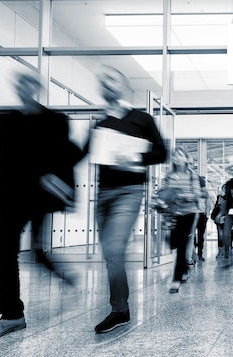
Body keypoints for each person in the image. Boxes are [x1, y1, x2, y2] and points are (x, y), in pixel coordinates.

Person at [0, 71, 82, 342]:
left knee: (36, 250)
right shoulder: (7, 121)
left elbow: (68, 155)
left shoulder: (55, 121)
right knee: (2, 254)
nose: (23, 89)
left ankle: (61, 275)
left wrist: (61, 185)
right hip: (10, 197)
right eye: (19, 84)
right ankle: (12, 315)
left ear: (36, 88)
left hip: (40, 198)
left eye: (28, 84)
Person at [86, 66, 167, 333]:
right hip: (103, 195)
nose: (106, 83)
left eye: (111, 78)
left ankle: (119, 309)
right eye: (102, 80)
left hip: (129, 192)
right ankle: (120, 306)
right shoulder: (101, 123)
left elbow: (161, 152)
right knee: (111, 254)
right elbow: (84, 153)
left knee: (113, 248)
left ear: (122, 85)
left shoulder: (141, 119)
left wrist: (133, 157)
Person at [163, 147, 203, 294]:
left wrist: (182, 197)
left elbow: (197, 195)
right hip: (173, 213)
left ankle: (176, 279)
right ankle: (185, 268)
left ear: (186, 158)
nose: (177, 157)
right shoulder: (169, 176)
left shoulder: (192, 176)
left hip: (189, 213)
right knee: (172, 242)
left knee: (181, 245)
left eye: (181, 155)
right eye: (175, 155)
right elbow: (163, 191)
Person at [195, 176, 212, 262]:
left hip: (202, 215)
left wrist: (206, 215)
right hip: (194, 213)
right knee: (192, 236)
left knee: (201, 235)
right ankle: (193, 254)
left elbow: (208, 205)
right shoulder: (194, 190)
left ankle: (200, 254)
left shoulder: (205, 193)